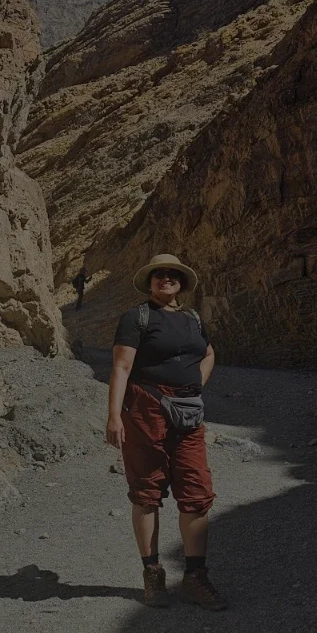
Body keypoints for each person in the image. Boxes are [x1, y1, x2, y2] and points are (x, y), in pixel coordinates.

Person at [106, 253, 227, 611]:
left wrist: (196, 384)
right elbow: (121, 366)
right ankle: (153, 575)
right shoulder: (136, 317)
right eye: (158, 274)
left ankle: (194, 577)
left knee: (197, 490)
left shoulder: (192, 318)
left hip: (188, 414)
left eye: (172, 274)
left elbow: (208, 353)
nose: (165, 279)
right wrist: (114, 416)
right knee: (146, 491)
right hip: (146, 411)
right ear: (150, 282)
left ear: (181, 282)